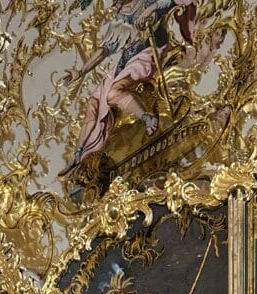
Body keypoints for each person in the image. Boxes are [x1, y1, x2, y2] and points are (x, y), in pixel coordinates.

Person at [58, 0, 197, 181]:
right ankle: (79, 154)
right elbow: (104, 50)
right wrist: (81, 72)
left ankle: (147, 118)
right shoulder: (121, 16)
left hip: (148, 52)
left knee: (113, 93)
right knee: (93, 102)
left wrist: (151, 8)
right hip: (125, 61)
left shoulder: (145, 2)